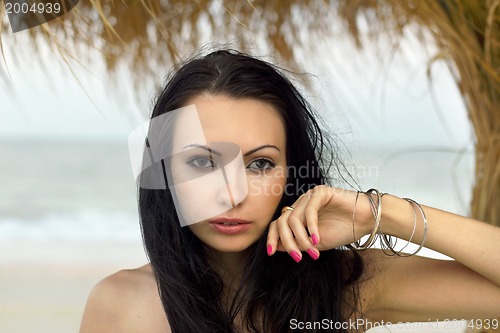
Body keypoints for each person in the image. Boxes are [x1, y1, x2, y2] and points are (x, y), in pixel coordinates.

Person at [79, 49, 500, 333]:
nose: (233, 193)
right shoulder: (120, 305)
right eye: (202, 162)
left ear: (290, 173)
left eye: (260, 163)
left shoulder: (347, 286)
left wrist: (382, 212)